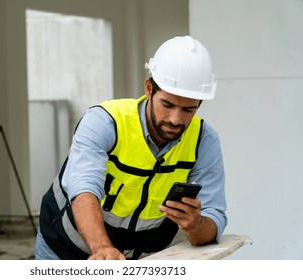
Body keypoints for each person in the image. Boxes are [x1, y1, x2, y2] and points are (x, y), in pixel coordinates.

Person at [35, 35, 227, 260]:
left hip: (139, 255)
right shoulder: (104, 122)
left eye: (188, 110)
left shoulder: (204, 141)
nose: (176, 119)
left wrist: (195, 224)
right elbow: (84, 188)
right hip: (65, 247)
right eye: (167, 104)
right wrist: (101, 249)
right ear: (148, 88)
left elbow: (213, 218)